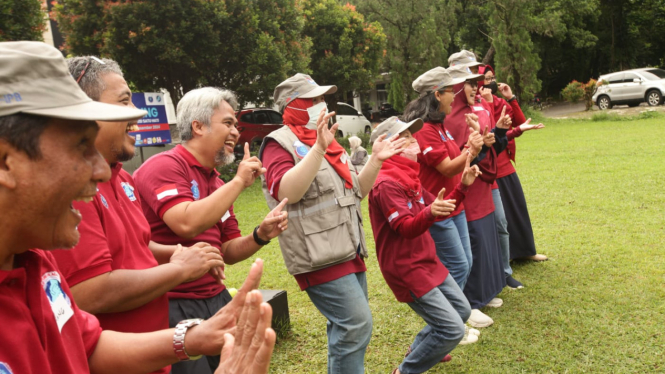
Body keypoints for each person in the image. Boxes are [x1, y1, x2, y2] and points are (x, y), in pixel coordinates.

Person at [0, 41, 275, 374]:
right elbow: (182, 227)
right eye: (80, 146)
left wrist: (192, 339)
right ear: (6, 162)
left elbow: (87, 346)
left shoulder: (36, 264)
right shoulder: (164, 168)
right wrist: (179, 268)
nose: (99, 170)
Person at [49, 56, 225, 374]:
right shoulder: (74, 187)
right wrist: (179, 270)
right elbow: (89, 290)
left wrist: (180, 253)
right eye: (124, 102)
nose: (138, 115)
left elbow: (136, 248)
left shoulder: (124, 178)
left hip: (149, 355)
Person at [133, 86, 288, 374]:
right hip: (173, 302)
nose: (236, 133)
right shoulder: (165, 166)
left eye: (236, 126)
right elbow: (185, 223)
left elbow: (227, 250)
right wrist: (239, 182)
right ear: (198, 126)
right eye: (228, 123)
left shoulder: (216, 182)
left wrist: (260, 235)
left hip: (215, 299)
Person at [258, 73, 406, 374]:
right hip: (317, 254)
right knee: (356, 325)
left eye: (321, 98)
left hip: (347, 248)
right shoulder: (279, 144)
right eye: (312, 100)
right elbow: (287, 193)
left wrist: (375, 160)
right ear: (293, 105)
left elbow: (356, 193)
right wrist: (318, 149)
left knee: (346, 327)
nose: (321, 104)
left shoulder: (325, 141)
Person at [367, 117, 482, 374]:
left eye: (411, 135)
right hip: (406, 269)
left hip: (426, 260)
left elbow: (438, 207)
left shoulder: (410, 175)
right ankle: (404, 371)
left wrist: (462, 186)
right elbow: (406, 228)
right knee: (452, 330)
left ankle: (423, 347)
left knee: (461, 311)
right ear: (391, 146)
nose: (414, 141)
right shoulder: (386, 184)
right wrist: (430, 212)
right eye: (407, 137)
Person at [445, 64, 512, 327]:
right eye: (471, 83)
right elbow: (461, 157)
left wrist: (498, 133)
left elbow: (487, 147)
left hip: (483, 184)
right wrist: (482, 146)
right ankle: (470, 301)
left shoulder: (474, 111)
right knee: (472, 242)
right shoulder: (452, 118)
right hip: (468, 187)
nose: (476, 88)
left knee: (487, 237)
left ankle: (485, 292)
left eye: (477, 82)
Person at [478, 65, 548, 264]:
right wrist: (488, 103)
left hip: (505, 164)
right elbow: (490, 130)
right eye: (486, 78)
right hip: (489, 167)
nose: (490, 82)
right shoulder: (476, 106)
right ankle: (503, 258)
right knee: (499, 217)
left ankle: (526, 250)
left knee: (516, 208)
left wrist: (510, 98)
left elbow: (520, 123)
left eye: (492, 78)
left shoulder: (500, 101)